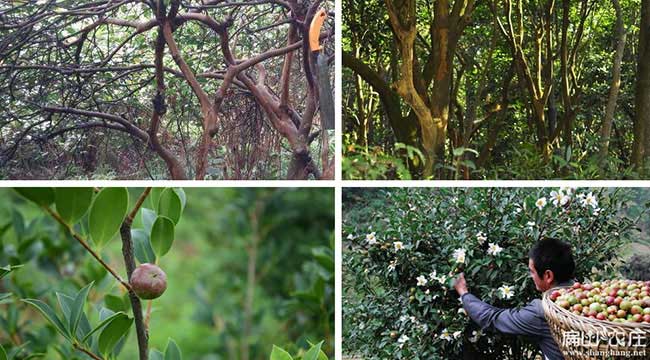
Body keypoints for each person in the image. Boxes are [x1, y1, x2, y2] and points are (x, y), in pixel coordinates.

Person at [453, 237, 576, 360]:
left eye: (532, 271)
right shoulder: (583, 293)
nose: (530, 276)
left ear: (548, 275)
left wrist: (464, 293)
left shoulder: (542, 312)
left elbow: (493, 318)